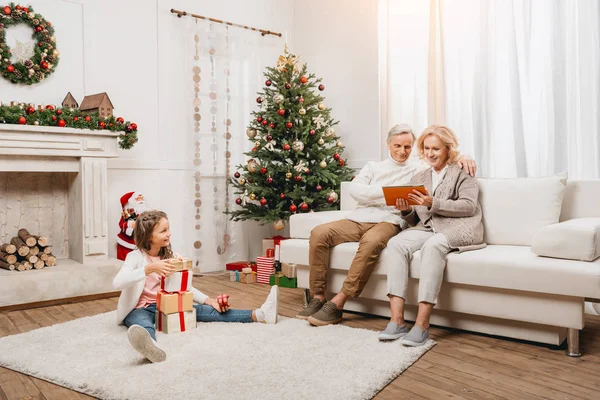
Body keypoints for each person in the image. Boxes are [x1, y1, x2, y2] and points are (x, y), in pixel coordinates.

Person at [296, 124, 477, 326]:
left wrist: (465, 156)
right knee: (319, 232)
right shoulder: (374, 167)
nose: (402, 151)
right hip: (359, 217)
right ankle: (318, 297)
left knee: (371, 242)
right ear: (388, 144)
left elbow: (444, 157)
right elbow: (355, 190)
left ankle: (338, 302)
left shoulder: (419, 168)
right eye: (397, 145)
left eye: (407, 147)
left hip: (390, 221)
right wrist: (389, 194)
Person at [113, 210, 279, 363]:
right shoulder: (135, 257)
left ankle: (260, 314)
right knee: (141, 323)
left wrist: (210, 301)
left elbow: (185, 287)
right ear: (149, 236)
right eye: (163, 231)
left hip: (167, 305)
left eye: (168, 229)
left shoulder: (172, 257)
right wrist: (149, 269)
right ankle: (151, 348)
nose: (169, 233)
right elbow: (117, 282)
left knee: (204, 311)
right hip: (140, 308)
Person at [378, 125, 485, 346]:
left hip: (460, 227)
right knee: (396, 243)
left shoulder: (463, 171)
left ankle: (422, 324)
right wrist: (406, 209)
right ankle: (397, 320)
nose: (430, 154)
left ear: (448, 149)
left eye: (436, 149)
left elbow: (468, 206)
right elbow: (417, 219)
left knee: (433, 246)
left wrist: (432, 202)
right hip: (429, 227)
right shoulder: (421, 175)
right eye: (426, 148)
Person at [116, 192, 147, 261]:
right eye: (138, 198)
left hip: (140, 242)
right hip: (126, 243)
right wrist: (130, 224)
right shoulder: (128, 212)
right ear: (132, 201)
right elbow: (121, 224)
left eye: (142, 198)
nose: (141, 200)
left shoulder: (146, 213)